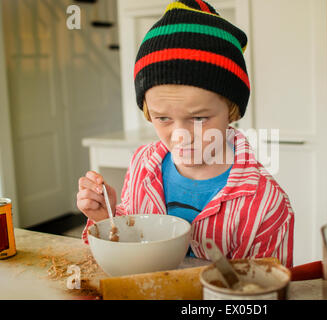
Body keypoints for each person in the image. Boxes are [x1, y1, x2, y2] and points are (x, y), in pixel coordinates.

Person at [77, 0, 294, 267]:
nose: (181, 135)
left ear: (232, 110)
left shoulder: (266, 205)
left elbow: (266, 291)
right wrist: (107, 219)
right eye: (163, 118)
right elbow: (133, 241)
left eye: (199, 118)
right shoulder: (143, 164)